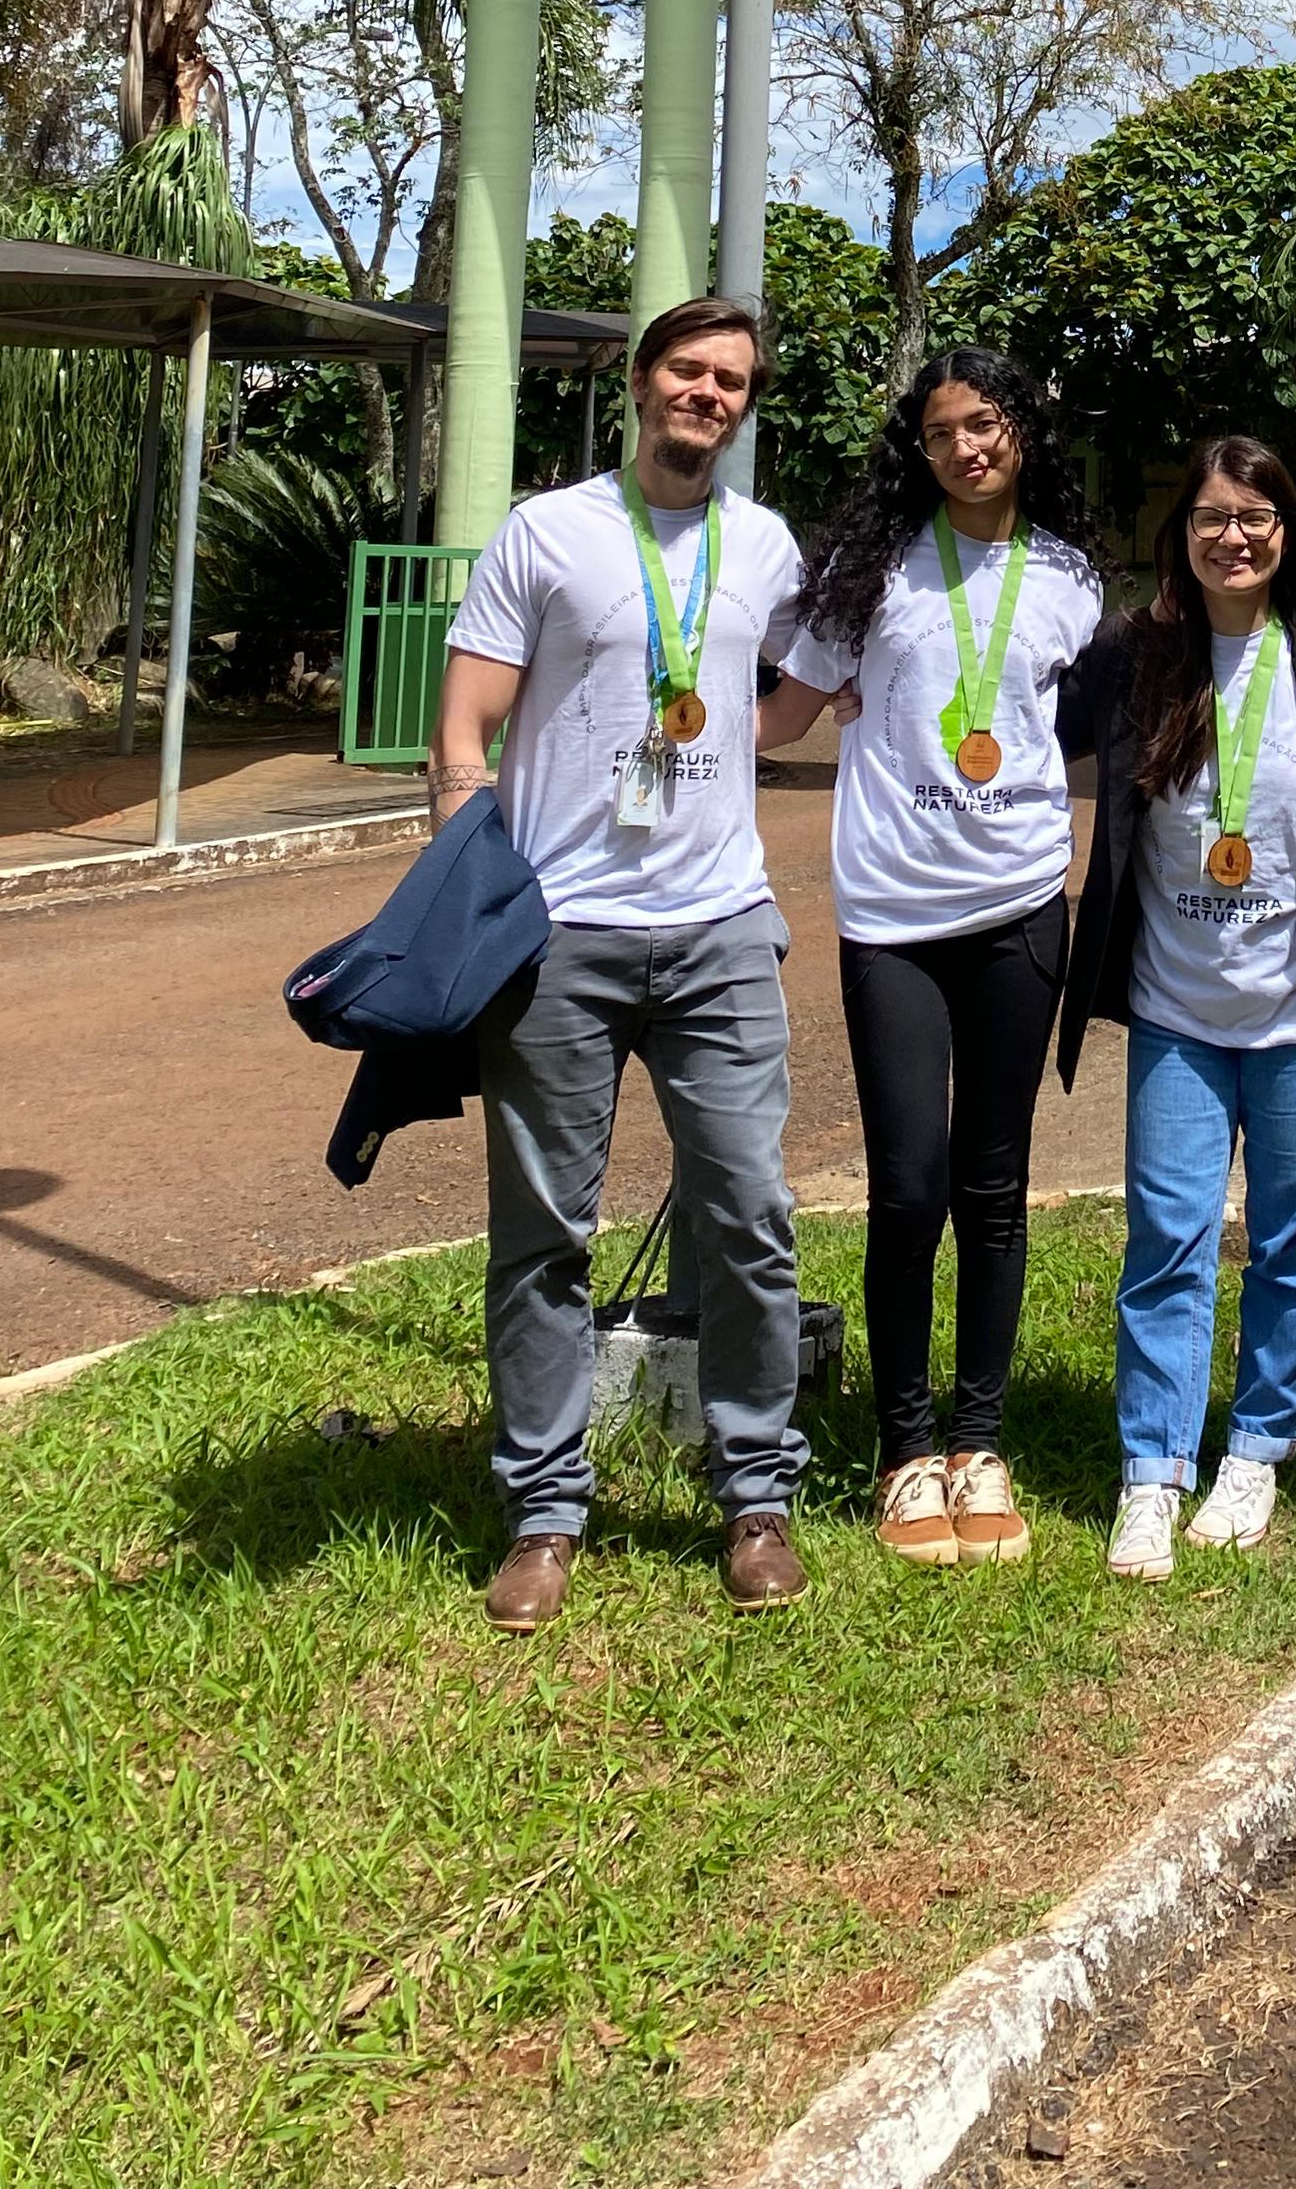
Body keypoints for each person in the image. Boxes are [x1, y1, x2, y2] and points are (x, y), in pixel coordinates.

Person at [430, 296, 811, 1634]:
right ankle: (544, 1513)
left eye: (732, 381)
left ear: (745, 406)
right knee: (545, 1234)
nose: (708, 394)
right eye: (688, 371)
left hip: (721, 930)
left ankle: (755, 1496)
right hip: (564, 933)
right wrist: (473, 897)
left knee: (750, 1216)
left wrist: (763, 733)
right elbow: (464, 731)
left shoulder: (766, 544)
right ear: (643, 383)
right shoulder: (547, 532)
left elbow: (803, 690)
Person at [771, 350, 1106, 1571]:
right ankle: (905, 1451)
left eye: (989, 422)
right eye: (944, 430)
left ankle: (980, 1442)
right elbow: (781, 713)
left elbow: (1081, 720)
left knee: (994, 1189)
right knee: (909, 1188)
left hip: (1020, 909)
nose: (969, 446)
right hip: (895, 921)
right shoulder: (869, 573)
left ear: (1023, 432)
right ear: (917, 451)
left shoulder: (1070, 576)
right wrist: (639, 742)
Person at [1053, 436, 1296, 1577]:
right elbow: (1022, 717)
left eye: (1255, 516)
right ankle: (1152, 1470)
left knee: (1294, 1241)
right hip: (1179, 1012)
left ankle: (1257, 1447)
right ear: (1184, 535)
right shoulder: (1136, 655)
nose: (1234, 537)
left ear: (1287, 532)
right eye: (1211, 517)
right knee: (1168, 1237)